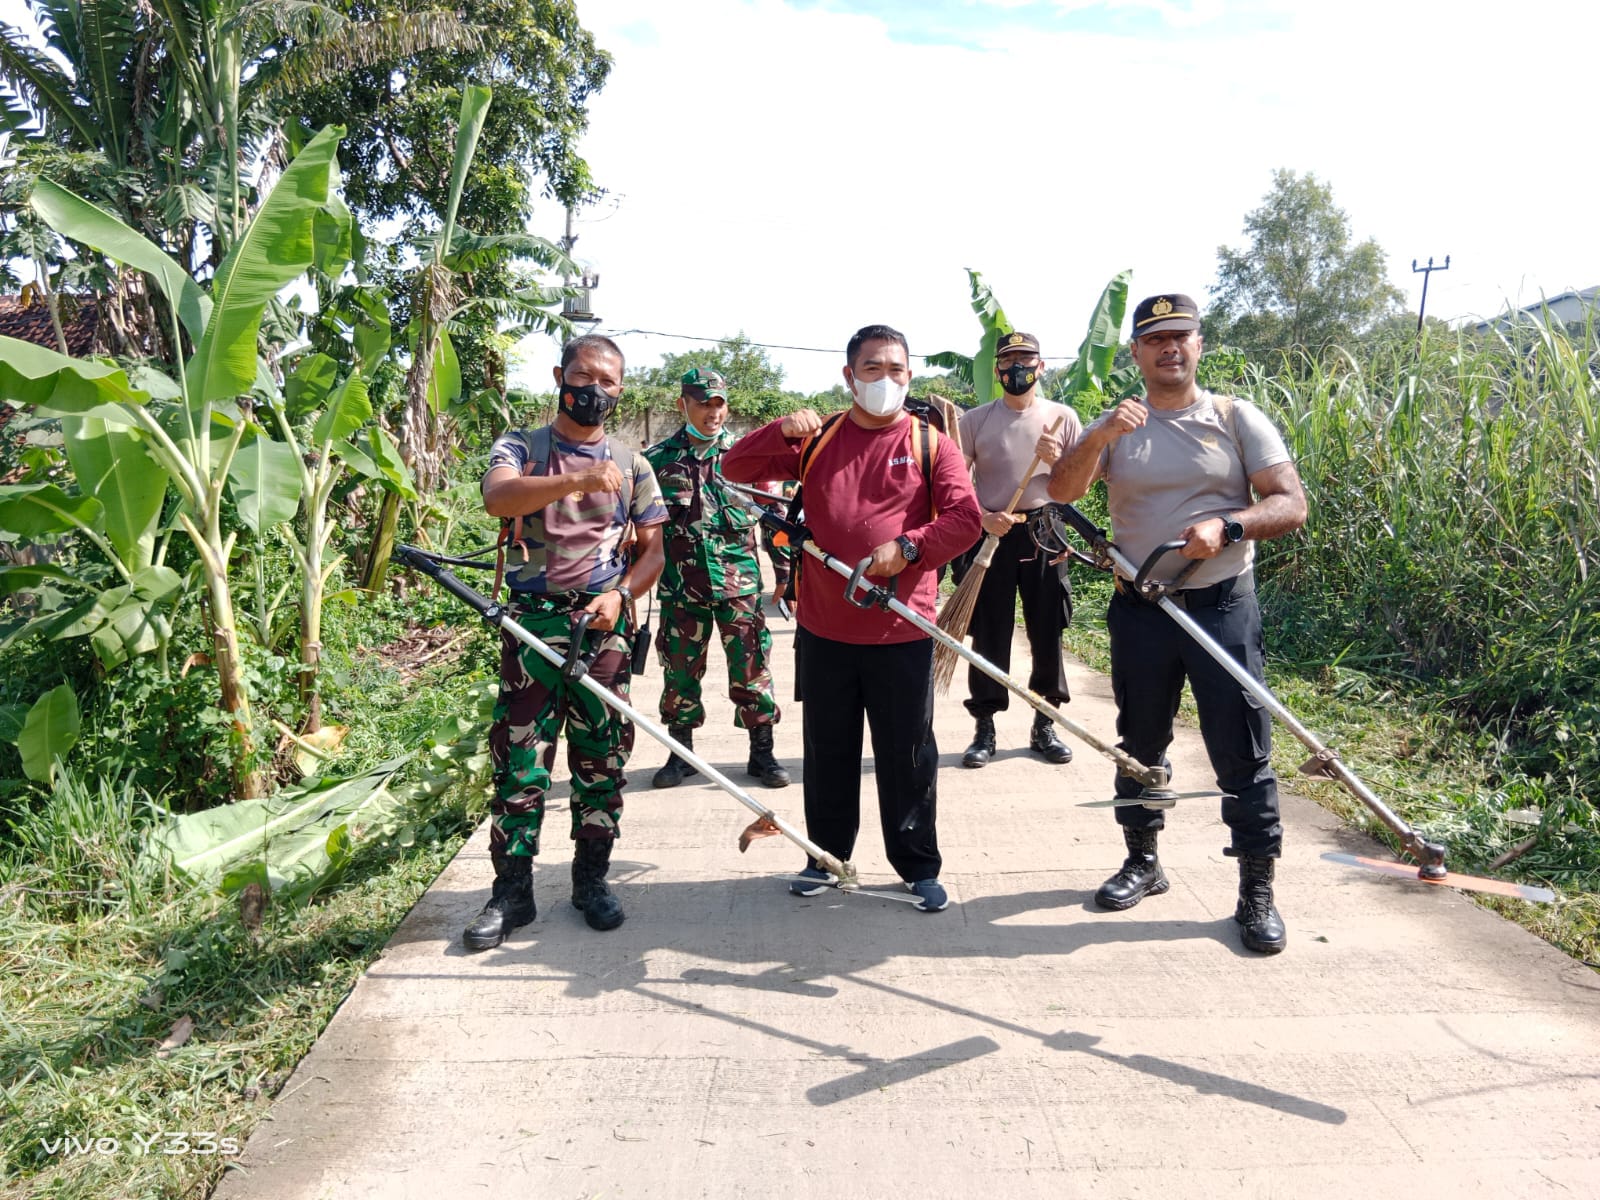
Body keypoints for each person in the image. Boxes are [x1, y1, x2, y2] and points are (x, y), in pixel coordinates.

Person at [1047, 293, 1307, 955]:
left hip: (1222, 605)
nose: (1170, 348)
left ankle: (1256, 891)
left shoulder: (1234, 417)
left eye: (1181, 336)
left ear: (1199, 344)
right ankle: (1143, 862)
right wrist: (1101, 434)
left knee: (1242, 751)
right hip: (1142, 609)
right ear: (1135, 351)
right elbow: (1062, 491)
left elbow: (1289, 504)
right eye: (1155, 339)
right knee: (1139, 745)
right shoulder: (1118, 426)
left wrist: (1229, 525)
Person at [722, 324, 982, 912]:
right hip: (824, 630)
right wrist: (778, 428)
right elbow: (736, 465)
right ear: (849, 377)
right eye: (872, 369)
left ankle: (918, 866)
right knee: (828, 750)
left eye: (896, 370)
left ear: (910, 376)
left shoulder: (928, 443)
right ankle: (826, 856)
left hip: (903, 629)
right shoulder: (819, 440)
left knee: (908, 752)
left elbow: (965, 518)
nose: (885, 380)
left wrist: (910, 549)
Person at [466, 334, 667, 951]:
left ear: (620, 389)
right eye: (584, 376)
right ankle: (512, 894)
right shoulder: (523, 446)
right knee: (520, 760)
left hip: (601, 629)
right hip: (531, 626)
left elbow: (654, 550)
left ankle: (591, 881)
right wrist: (573, 480)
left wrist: (622, 595)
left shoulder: (633, 464)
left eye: (608, 382)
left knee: (600, 757)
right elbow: (497, 496)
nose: (595, 390)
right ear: (561, 375)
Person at [644, 367, 788, 791]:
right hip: (679, 589)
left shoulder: (745, 457)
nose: (712, 412)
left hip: (739, 587)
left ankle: (762, 753)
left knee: (752, 671)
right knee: (679, 674)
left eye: (718, 403)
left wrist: (783, 576)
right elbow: (641, 528)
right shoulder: (655, 461)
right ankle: (681, 754)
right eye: (703, 403)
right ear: (682, 404)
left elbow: (772, 516)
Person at [955, 331, 1082, 769]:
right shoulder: (974, 421)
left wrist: (1059, 457)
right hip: (993, 532)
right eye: (1008, 361)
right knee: (990, 632)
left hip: (1045, 532)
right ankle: (985, 726)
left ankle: (1045, 722)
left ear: (1041, 366)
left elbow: (1077, 484)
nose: (1017, 368)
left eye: (1026, 360)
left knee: (1048, 628)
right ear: (997, 369)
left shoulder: (1062, 418)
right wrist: (980, 519)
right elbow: (955, 485)